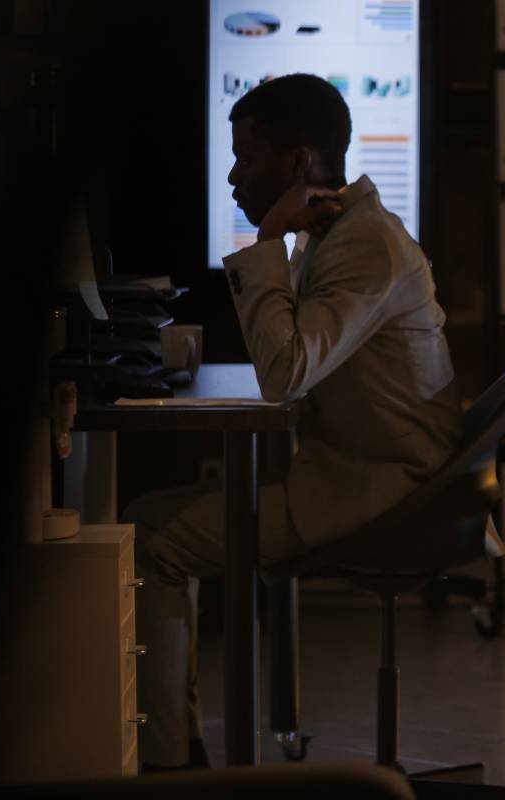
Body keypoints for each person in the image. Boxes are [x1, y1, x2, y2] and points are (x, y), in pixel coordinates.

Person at [123, 73, 461, 770]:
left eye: (247, 156)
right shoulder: (343, 235)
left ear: (298, 162)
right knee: (149, 522)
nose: (232, 175)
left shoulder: (363, 243)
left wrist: (266, 239)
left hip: (387, 496)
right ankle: (175, 757)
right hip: (363, 476)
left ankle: (169, 769)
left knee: (147, 539)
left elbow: (285, 372)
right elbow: (295, 371)